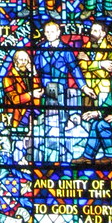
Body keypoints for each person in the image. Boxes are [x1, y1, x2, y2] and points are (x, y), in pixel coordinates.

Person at [34, 20, 96, 163]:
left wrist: (84, 87)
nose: (49, 34)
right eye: (47, 32)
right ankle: (50, 152)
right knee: (47, 121)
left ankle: (62, 152)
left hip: (61, 91)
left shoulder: (66, 50)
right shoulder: (40, 49)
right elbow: (35, 70)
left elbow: (74, 69)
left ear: (58, 32)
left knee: (61, 120)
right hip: (46, 92)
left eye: (52, 31)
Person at [76, 19, 112, 107]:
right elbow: (81, 66)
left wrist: (88, 62)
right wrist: (100, 64)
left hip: (102, 89)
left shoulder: (110, 50)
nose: (92, 33)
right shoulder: (85, 47)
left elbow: (105, 73)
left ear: (103, 34)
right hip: (86, 87)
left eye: (95, 31)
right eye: (92, 30)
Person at [2, 49, 43, 128]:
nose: (24, 62)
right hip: (18, 113)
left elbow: (37, 88)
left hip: (32, 109)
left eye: (26, 60)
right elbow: (15, 99)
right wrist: (31, 94)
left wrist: (34, 73)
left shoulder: (29, 74)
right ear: (15, 61)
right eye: (21, 60)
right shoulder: (8, 78)